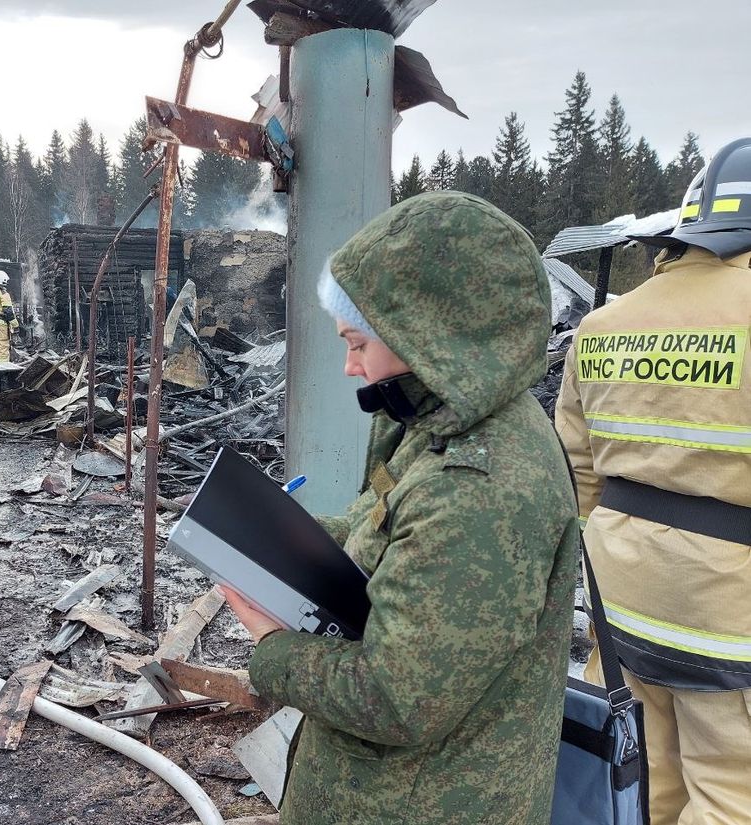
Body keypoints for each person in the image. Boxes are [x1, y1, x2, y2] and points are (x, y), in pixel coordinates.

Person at [223, 191, 579, 825]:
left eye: (358, 343)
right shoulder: (442, 415)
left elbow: (396, 699)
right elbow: (394, 532)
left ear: (430, 335)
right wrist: (285, 537)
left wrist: (271, 647)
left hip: (423, 802)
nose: (348, 365)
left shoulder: (480, 487)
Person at [555, 137, 751, 825]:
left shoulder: (603, 325)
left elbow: (574, 472)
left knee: (640, 790)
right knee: (732, 797)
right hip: (731, 620)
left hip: (623, 607)